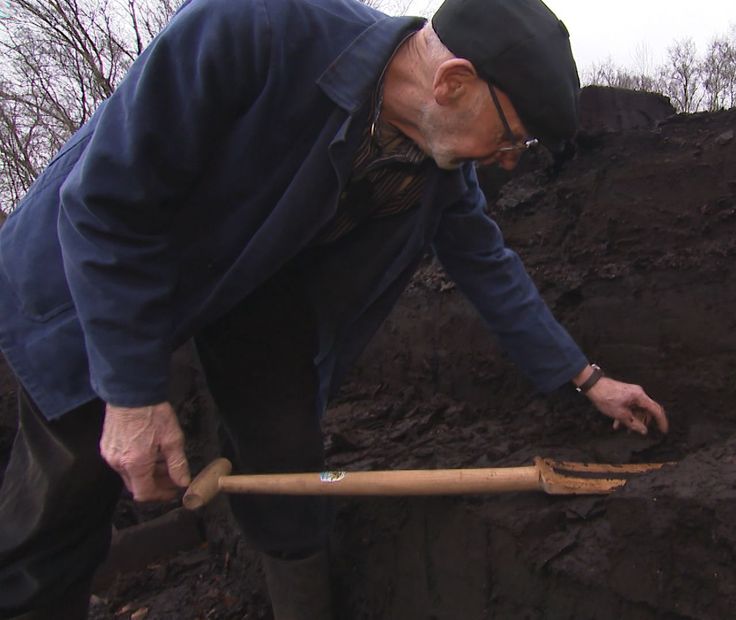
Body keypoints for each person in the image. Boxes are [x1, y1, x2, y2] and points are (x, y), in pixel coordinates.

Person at [0, 0, 669, 617]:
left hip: (246, 293)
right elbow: (106, 203)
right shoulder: (253, 28)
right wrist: (131, 392)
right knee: (67, 497)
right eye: (513, 137)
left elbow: (489, 268)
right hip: (93, 270)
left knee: (287, 456)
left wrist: (586, 378)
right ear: (454, 83)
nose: (511, 161)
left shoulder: (435, 172)